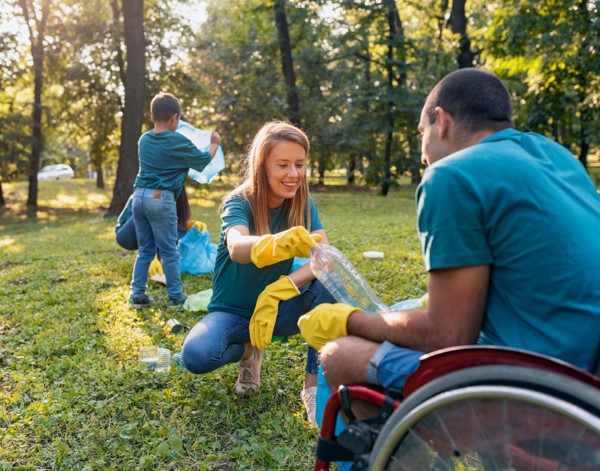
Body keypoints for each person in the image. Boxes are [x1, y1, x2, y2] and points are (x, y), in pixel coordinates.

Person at [298, 68, 600, 407]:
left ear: (441, 121)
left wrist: (350, 320)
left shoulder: (450, 175)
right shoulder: (557, 156)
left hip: (539, 385)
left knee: (342, 354)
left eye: (420, 133)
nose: (422, 155)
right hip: (588, 367)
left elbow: (448, 336)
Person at [180, 121, 336, 425]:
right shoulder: (239, 202)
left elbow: (325, 258)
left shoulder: (302, 202)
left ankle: (313, 387)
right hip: (233, 312)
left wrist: (282, 287)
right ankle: (249, 352)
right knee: (197, 356)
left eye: (299, 164)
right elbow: (237, 246)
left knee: (328, 286)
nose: (294, 174)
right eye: (283, 165)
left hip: (277, 309)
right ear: (262, 165)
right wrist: (277, 242)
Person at [129, 92, 221, 309]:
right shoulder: (177, 139)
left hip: (139, 197)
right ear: (174, 118)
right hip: (160, 199)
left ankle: (137, 294)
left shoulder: (144, 139)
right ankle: (176, 296)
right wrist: (214, 144)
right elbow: (201, 161)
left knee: (145, 250)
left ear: (153, 117)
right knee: (170, 250)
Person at [115, 186, 192, 251]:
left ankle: (158, 256)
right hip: (127, 235)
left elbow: (181, 224)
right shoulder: (147, 188)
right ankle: (150, 255)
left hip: (155, 234)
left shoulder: (177, 191)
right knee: (149, 210)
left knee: (182, 236)